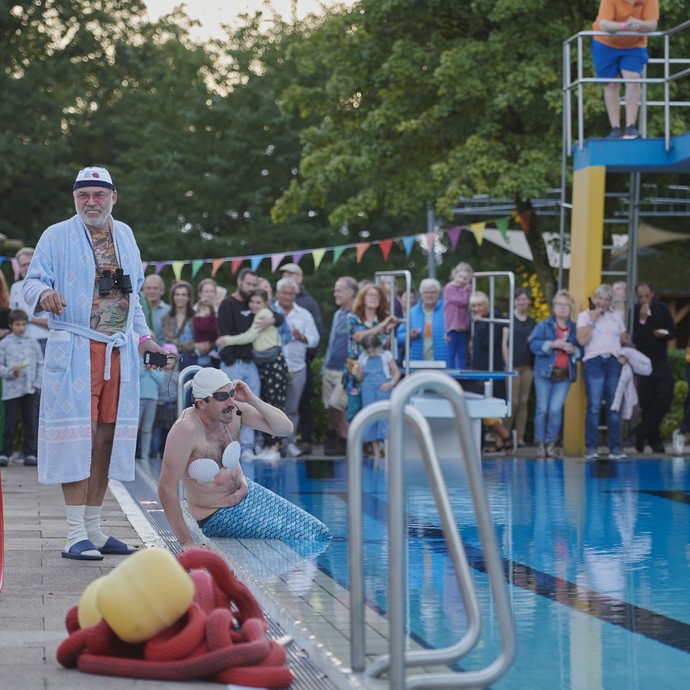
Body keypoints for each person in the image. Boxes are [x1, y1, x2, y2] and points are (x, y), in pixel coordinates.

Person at [22, 165, 168, 561]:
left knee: (105, 437)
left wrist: (145, 339)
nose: (91, 202)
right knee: (78, 438)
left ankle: (94, 529)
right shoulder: (55, 235)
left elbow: (132, 298)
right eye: (83, 194)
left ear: (113, 197)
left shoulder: (126, 236)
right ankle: (73, 534)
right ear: (74, 199)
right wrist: (45, 293)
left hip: (117, 350)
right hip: (75, 348)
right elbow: (29, 283)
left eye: (98, 194)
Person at [157, 368, 330, 549]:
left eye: (231, 393)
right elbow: (166, 487)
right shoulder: (186, 430)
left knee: (319, 533)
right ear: (202, 403)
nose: (231, 401)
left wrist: (252, 399)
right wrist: (186, 542)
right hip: (217, 516)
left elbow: (285, 429)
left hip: (250, 495)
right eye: (222, 397)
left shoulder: (235, 413)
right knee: (302, 538)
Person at [216, 288, 288, 461]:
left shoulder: (263, 314)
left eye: (258, 302)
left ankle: (274, 446)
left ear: (265, 303)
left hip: (272, 363)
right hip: (265, 363)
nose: (254, 305)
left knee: (273, 403)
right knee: (266, 401)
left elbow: (250, 336)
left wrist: (227, 340)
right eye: (252, 302)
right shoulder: (264, 314)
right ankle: (269, 446)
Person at [592, 0, 659, 139]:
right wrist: (625, 26)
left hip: (634, 44)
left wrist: (639, 24)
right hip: (606, 43)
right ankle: (615, 128)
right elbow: (604, 24)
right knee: (611, 83)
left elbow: (652, 25)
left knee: (633, 79)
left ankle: (630, 127)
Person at [576, 283, 629, 460]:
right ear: (595, 298)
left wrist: (624, 355)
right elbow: (582, 341)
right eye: (601, 298)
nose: (604, 302)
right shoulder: (584, 316)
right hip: (594, 362)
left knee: (614, 405)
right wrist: (595, 316)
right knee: (594, 406)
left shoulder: (616, 316)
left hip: (613, 362)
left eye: (607, 299)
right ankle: (591, 448)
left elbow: (624, 340)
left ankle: (616, 449)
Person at [529, 290, 582, 458]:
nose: (562, 308)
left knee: (555, 410)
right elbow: (533, 345)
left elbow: (583, 349)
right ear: (553, 307)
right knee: (541, 410)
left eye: (565, 305)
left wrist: (575, 350)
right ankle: (540, 444)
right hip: (543, 374)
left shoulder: (574, 329)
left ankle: (551, 443)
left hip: (564, 375)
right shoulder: (543, 325)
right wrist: (552, 344)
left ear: (571, 308)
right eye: (559, 304)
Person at [280, 263, 324, 456]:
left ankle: (289, 442)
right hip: (273, 366)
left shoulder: (304, 314)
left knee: (293, 408)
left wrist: (302, 337)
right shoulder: (269, 312)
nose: (288, 297)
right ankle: (268, 444)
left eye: (292, 294)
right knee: (270, 406)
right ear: (277, 293)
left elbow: (315, 338)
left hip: (297, 367)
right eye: (285, 293)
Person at [631, 282, 675, 453]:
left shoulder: (662, 309)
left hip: (660, 360)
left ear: (652, 294)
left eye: (646, 296)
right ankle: (653, 439)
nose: (643, 300)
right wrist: (642, 320)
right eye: (640, 297)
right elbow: (635, 338)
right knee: (647, 400)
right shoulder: (634, 312)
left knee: (665, 395)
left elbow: (672, 332)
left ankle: (642, 430)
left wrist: (663, 334)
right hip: (642, 361)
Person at [345, 284, 398, 422]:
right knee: (355, 410)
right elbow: (360, 337)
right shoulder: (353, 317)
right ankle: (354, 442)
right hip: (358, 371)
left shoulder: (381, 319)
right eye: (370, 295)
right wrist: (383, 325)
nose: (374, 298)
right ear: (363, 298)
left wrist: (387, 331)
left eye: (377, 296)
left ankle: (373, 443)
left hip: (377, 374)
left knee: (376, 411)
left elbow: (385, 348)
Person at [469, 291, 512, 454]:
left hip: (490, 367)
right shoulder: (482, 320)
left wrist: (479, 325)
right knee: (485, 404)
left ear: (486, 305)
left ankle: (505, 435)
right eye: (473, 306)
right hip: (481, 366)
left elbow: (489, 343)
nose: (476, 309)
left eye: (479, 305)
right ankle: (501, 441)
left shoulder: (493, 319)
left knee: (487, 405)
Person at [0, 309, 44, 467]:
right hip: (11, 390)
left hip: (30, 389)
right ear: (11, 325)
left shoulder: (33, 342)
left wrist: (37, 383)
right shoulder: (4, 343)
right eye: (17, 324)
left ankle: (30, 453)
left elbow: (40, 363)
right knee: (10, 422)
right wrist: (10, 372)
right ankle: (5, 453)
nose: (21, 328)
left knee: (30, 422)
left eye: (23, 324)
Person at [321, 276, 358, 456]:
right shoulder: (338, 314)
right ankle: (342, 441)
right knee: (332, 407)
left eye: (338, 290)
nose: (335, 293)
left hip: (345, 370)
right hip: (330, 368)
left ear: (350, 293)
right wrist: (324, 366)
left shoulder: (357, 314)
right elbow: (332, 342)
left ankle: (332, 435)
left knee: (337, 405)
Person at [353, 332, 400, 462]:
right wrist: (356, 372)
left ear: (379, 346)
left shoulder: (386, 355)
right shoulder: (363, 357)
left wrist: (390, 384)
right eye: (369, 352)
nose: (372, 354)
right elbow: (360, 378)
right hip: (368, 391)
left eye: (374, 351)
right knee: (370, 420)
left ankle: (387, 450)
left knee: (384, 419)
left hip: (383, 390)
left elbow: (396, 372)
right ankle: (376, 452)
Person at [502, 288, 536, 448]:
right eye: (519, 299)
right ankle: (504, 435)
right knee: (513, 401)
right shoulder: (508, 319)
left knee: (523, 402)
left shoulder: (532, 322)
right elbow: (504, 343)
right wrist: (508, 365)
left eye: (524, 299)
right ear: (514, 301)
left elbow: (535, 344)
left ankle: (520, 438)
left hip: (527, 366)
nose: (522, 302)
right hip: (513, 366)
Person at [396, 278, 446, 363]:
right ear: (421, 294)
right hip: (417, 364)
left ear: (439, 294)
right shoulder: (412, 312)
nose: (429, 295)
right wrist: (409, 335)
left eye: (433, 292)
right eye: (426, 292)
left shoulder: (447, 310)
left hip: (442, 363)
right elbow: (399, 338)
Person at [9, 247, 49, 353]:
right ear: (19, 267)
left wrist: (28, 319)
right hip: (21, 341)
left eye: (29, 264)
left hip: (43, 340)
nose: (26, 268)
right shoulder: (15, 287)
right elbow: (13, 316)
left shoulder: (47, 286)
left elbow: (53, 323)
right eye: (23, 265)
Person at [161, 280, 202, 368]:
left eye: (184, 295)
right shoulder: (166, 317)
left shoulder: (197, 316)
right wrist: (183, 346)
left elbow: (203, 339)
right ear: (172, 296)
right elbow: (168, 338)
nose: (180, 297)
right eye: (177, 294)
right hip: (173, 361)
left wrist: (192, 346)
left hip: (195, 359)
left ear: (189, 297)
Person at [443, 262, 473, 369]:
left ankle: (462, 374)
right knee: (451, 353)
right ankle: (451, 375)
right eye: (460, 276)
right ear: (454, 275)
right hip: (451, 327)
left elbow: (469, 299)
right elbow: (463, 301)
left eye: (465, 278)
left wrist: (467, 289)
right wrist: (467, 289)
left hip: (462, 327)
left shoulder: (466, 290)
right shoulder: (449, 288)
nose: (462, 280)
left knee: (462, 354)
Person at [192, 298, 219, 367]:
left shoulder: (213, 318)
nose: (201, 312)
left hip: (211, 341)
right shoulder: (196, 319)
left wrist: (206, 319)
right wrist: (201, 319)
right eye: (200, 310)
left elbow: (213, 329)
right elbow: (199, 328)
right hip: (200, 341)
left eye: (204, 309)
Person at [141, 273, 168, 343]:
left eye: (155, 288)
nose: (151, 291)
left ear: (162, 291)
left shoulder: (169, 311)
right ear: (143, 290)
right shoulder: (137, 311)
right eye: (148, 288)